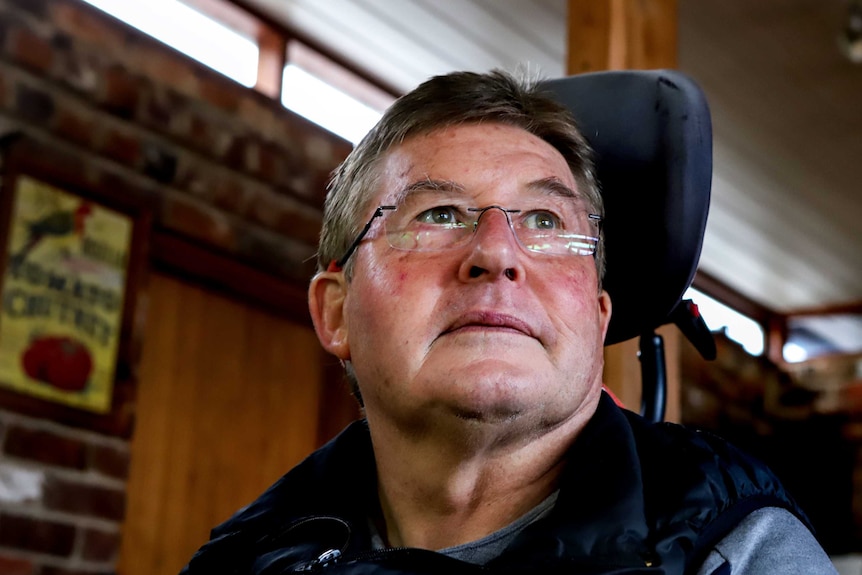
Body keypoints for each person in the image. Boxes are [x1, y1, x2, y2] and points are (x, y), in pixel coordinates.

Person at [180, 70, 836, 574]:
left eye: (546, 222)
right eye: (438, 214)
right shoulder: (239, 560)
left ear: (597, 317)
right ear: (334, 309)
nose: (496, 253)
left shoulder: (736, 550)